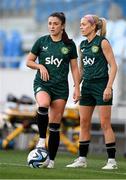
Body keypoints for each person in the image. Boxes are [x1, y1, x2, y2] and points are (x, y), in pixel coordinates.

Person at [26, 12, 80, 168]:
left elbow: (75, 68)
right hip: (43, 84)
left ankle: (51, 161)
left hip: (61, 88)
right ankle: (42, 140)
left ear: (62, 26)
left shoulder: (69, 45)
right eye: (50, 23)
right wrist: (40, 65)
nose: (52, 26)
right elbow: (29, 61)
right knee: (42, 105)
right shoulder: (41, 41)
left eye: (55, 24)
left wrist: (78, 87)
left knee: (55, 126)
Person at [66, 14, 118, 170]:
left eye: (83, 24)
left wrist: (108, 87)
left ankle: (112, 162)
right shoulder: (81, 44)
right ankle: (82, 159)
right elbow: (81, 69)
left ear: (93, 26)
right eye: (80, 24)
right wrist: (77, 87)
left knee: (104, 123)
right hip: (87, 87)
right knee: (83, 123)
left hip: (101, 86)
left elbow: (114, 66)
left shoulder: (103, 42)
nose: (81, 27)